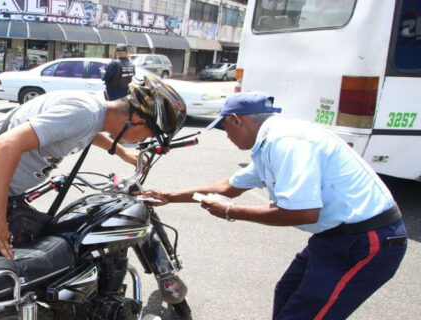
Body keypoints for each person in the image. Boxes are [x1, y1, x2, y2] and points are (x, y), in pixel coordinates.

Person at [137, 92, 407, 320]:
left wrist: (231, 212)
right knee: (287, 292)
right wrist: (169, 195)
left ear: (236, 120)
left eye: (224, 128)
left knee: (308, 314)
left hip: (366, 241)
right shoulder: (269, 142)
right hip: (333, 238)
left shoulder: (285, 143)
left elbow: (303, 212)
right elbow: (228, 187)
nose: (226, 136)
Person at [0, 75, 187, 258]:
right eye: (149, 134)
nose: (144, 141)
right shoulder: (82, 113)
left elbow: (85, 132)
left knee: (4, 261)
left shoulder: (95, 115)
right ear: (136, 120)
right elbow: (4, 146)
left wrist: (123, 153)